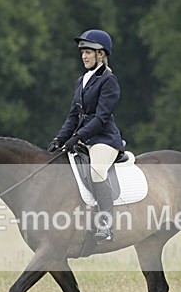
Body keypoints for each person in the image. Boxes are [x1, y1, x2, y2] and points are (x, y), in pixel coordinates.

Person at [48, 29, 125, 243]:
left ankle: (106, 226)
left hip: (104, 140)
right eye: (82, 52)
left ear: (101, 54)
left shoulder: (108, 80)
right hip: (83, 139)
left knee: (97, 171)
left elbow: (101, 117)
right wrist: (60, 139)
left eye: (88, 52)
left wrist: (78, 136)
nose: (83, 56)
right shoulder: (82, 80)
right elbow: (73, 115)